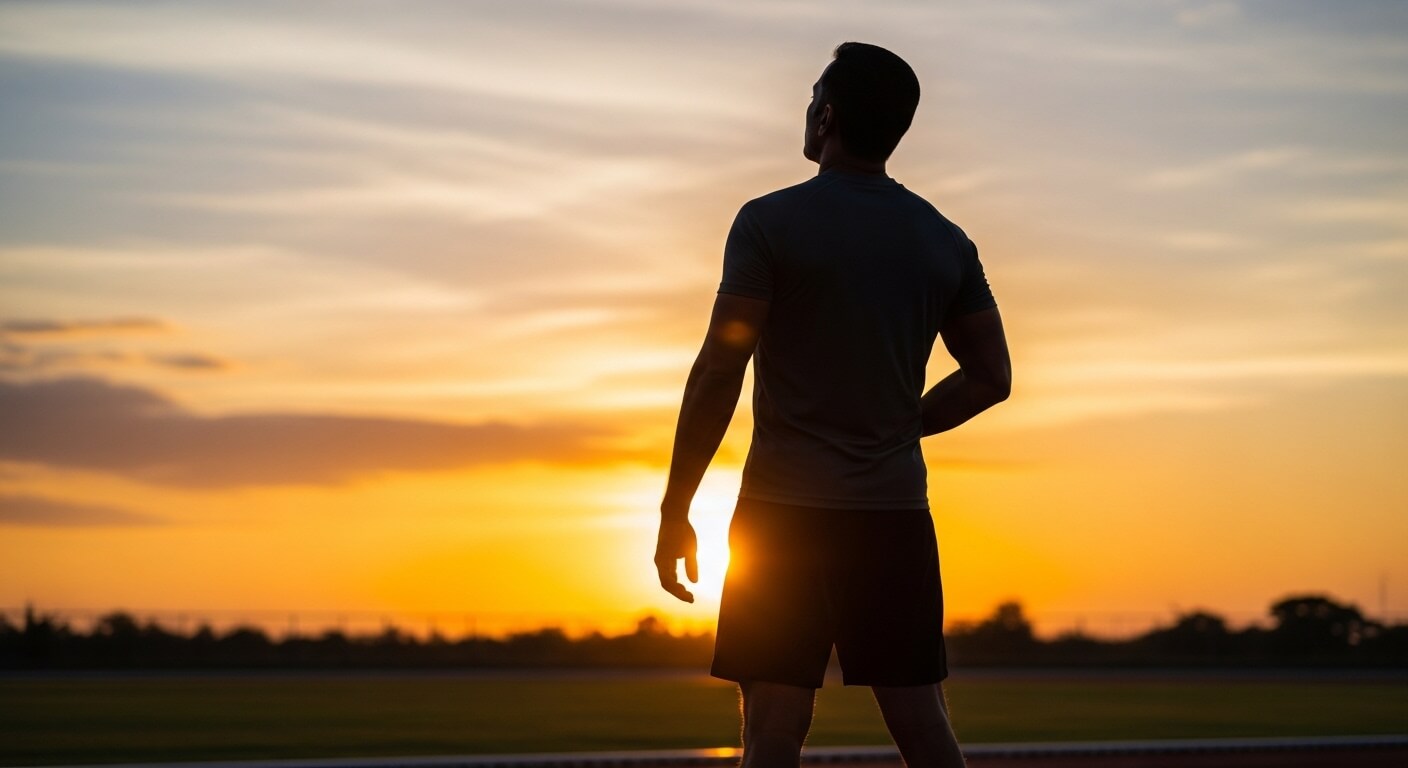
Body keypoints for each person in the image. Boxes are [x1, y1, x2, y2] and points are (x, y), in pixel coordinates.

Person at [655, 42, 1011, 768]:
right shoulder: (946, 241)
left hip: (782, 516)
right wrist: (906, 422)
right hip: (894, 516)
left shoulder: (768, 223)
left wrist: (674, 508)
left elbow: (721, 367)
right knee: (922, 726)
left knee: (774, 730)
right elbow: (989, 377)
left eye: (813, 95)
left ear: (826, 116)